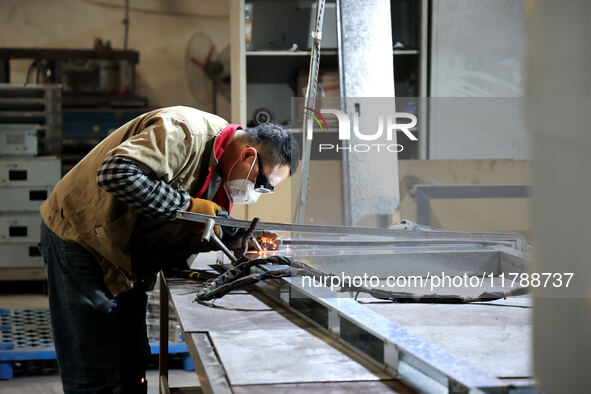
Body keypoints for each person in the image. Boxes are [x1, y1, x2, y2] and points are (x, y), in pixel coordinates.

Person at [38, 106, 299, 393]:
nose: (257, 193)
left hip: (127, 251)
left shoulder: (222, 169)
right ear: (248, 156)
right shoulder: (184, 131)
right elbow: (115, 173)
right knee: (94, 368)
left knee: (132, 362)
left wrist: (238, 239)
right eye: (261, 184)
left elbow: (201, 217)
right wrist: (186, 207)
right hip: (81, 235)